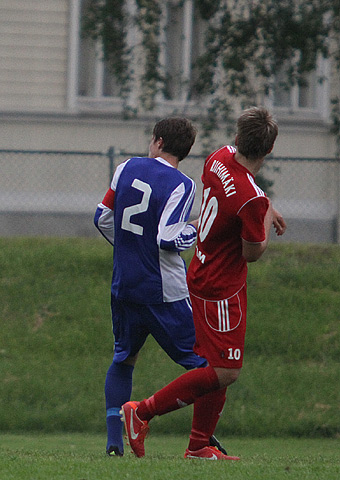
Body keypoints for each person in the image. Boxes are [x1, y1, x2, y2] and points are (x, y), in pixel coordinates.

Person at [122, 107, 287, 460]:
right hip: (221, 288)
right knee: (225, 370)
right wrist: (266, 211)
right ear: (269, 151)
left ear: (239, 138)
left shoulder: (218, 158)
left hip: (198, 269)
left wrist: (262, 209)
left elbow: (221, 209)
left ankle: (199, 445)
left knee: (213, 365)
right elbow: (252, 252)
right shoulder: (253, 198)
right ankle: (142, 411)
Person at [94, 117, 213, 457]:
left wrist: (129, 250)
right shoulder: (182, 183)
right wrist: (196, 229)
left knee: (124, 358)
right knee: (205, 365)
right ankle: (200, 442)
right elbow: (167, 238)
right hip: (164, 292)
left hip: (124, 285)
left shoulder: (126, 167)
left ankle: (114, 443)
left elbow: (102, 217)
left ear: (158, 141)